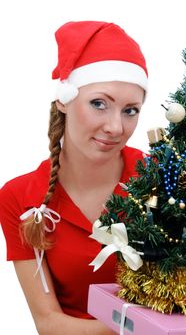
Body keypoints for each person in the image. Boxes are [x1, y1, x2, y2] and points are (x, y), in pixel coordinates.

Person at [0, 20, 148, 335]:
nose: (116, 128)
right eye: (99, 104)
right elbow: (49, 322)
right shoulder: (20, 197)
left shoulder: (161, 178)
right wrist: (145, 327)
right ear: (64, 100)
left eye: (130, 110)